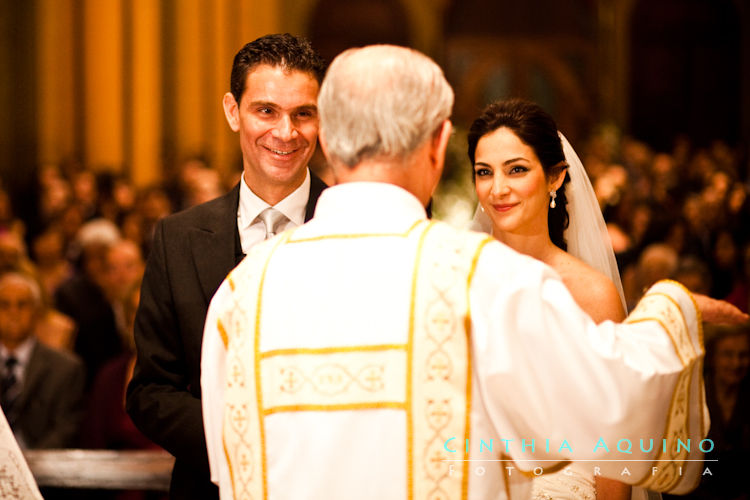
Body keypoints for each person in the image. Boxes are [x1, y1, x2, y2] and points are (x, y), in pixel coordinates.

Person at [201, 44, 748, 500]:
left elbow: (228, 467)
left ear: (327, 140)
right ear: (439, 144)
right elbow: (615, 407)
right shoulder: (483, 282)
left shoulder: (242, 293)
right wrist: (673, 310)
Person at [126, 33, 327, 500]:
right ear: (233, 111)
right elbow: (151, 391)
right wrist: (239, 443)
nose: (285, 132)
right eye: (266, 111)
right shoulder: (177, 238)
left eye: (303, 114)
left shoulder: (357, 231)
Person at [467, 98, 630, 498]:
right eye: (484, 172)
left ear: (555, 178)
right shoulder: (457, 280)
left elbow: (613, 447)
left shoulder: (592, 295)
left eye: (517, 170)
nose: (498, 188)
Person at [0, 271, 84, 449]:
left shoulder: (65, 368)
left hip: (44, 468)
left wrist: (31, 464)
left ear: (37, 312)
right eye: (4, 305)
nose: (13, 313)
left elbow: (66, 428)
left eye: (22, 305)